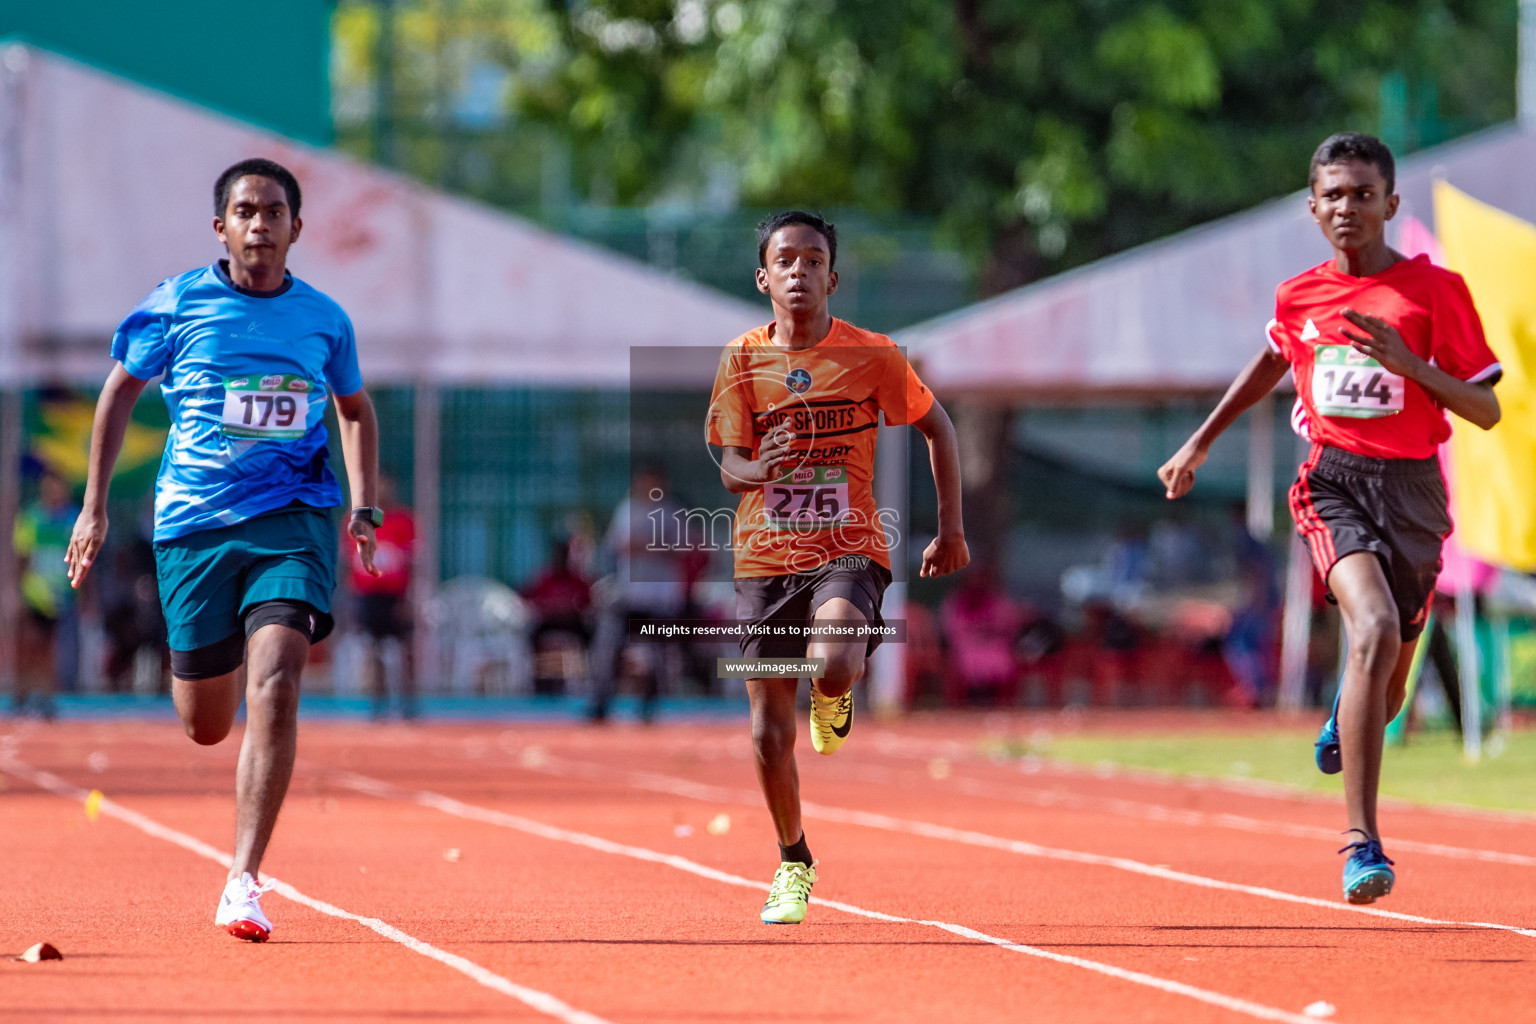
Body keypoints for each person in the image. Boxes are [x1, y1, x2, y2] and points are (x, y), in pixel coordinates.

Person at [1158, 133, 1500, 904]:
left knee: (1389, 686)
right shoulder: (1299, 296)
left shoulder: (1434, 292)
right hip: (1333, 483)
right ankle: (1362, 844)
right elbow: (1271, 361)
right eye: (1334, 195)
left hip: (1413, 492)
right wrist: (1197, 443)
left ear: (1390, 203)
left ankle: (1348, 713)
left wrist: (1412, 366)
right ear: (1313, 208)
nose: (1349, 207)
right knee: (1371, 629)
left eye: (1363, 194)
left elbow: (1486, 408)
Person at [66, 158, 382, 941]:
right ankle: (222, 655)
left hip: (295, 519)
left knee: (277, 672)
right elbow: (118, 394)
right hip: (195, 529)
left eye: (275, 212)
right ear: (222, 227)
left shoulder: (325, 320)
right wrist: (93, 507)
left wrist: (365, 503)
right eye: (245, 211)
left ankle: (243, 879)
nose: (260, 225)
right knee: (206, 723)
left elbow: (355, 410)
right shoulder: (174, 306)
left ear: (296, 228)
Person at [707, 211, 969, 924]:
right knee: (767, 733)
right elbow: (730, 465)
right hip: (764, 557)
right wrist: (763, 465)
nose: (799, 271)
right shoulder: (741, 359)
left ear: (832, 276)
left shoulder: (872, 355)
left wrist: (951, 530)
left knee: (830, 663)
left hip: (849, 546)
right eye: (785, 260)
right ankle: (794, 862)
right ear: (763, 277)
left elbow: (936, 426)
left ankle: (835, 687)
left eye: (813, 260)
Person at [585, 465, 689, 722]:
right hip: (628, 596)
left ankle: (648, 708)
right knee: (608, 649)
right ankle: (601, 704)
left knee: (655, 658)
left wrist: (646, 544)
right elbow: (620, 545)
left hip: (660, 599)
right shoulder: (628, 509)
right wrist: (652, 544)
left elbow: (681, 549)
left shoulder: (672, 512)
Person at [12, 469, 82, 718]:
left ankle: (45, 698)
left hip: (60, 596)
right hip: (34, 595)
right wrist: (17, 594)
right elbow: (22, 558)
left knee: (50, 649)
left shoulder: (73, 520)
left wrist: (85, 597)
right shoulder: (32, 518)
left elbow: (83, 560)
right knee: (29, 646)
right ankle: (21, 695)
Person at [348, 474, 416, 719]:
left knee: (405, 650)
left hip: (396, 595)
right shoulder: (357, 521)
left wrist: (408, 598)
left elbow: (412, 562)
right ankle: (379, 705)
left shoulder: (402, 520)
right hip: (368, 595)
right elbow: (349, 563)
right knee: (373, 651)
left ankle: (409, 705)